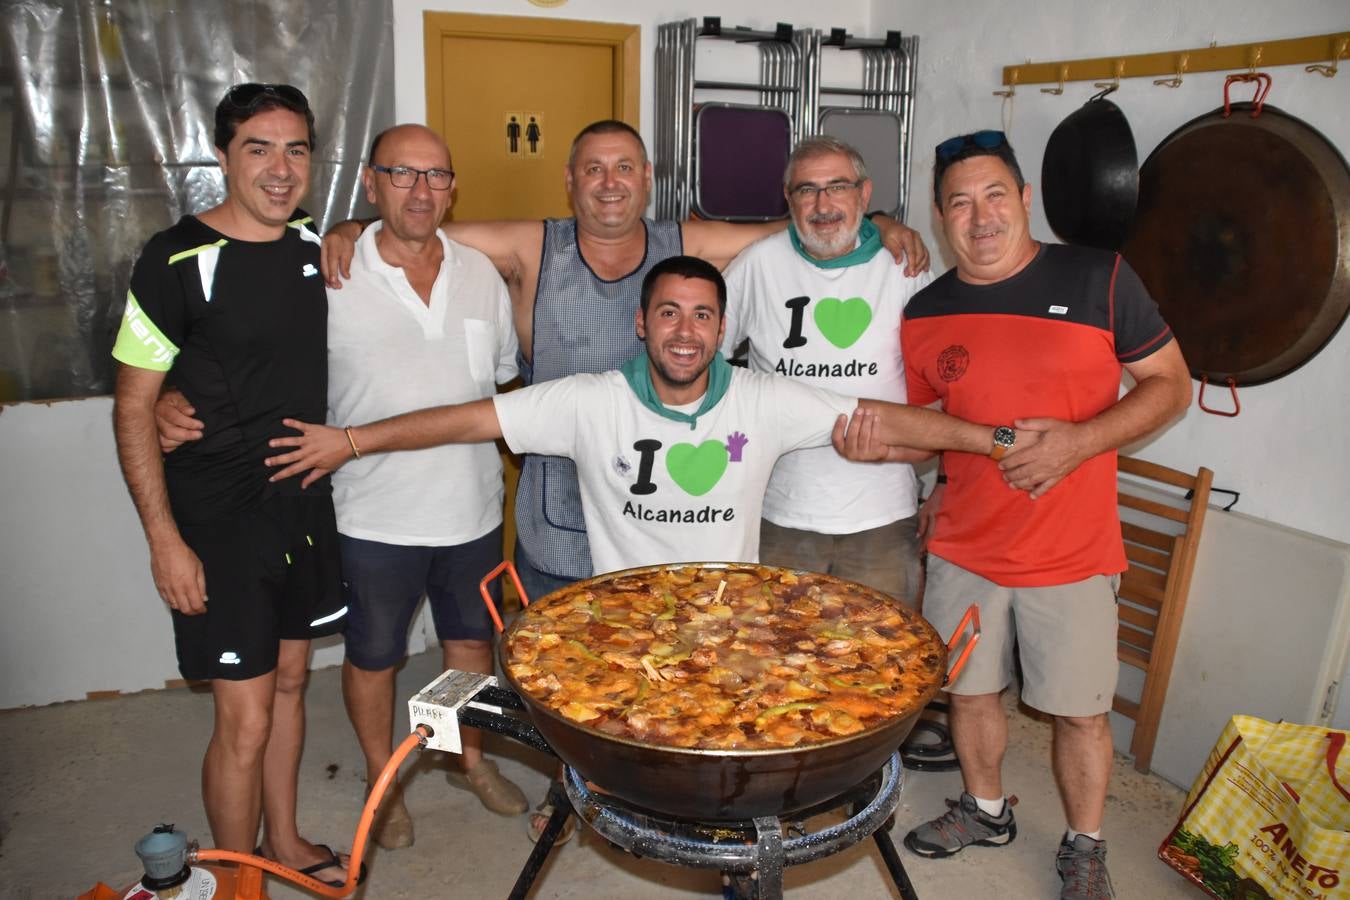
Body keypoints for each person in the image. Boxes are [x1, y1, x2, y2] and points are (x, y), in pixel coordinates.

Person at [153, 124, 531, 846]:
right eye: (403, 174)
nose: (421, 191)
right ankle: (381, 777)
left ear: (453, 189)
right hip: (368, 514)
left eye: (436, 176)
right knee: (374, 659)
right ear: (369, 182)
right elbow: (236, 341)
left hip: (473, 509)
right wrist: (169, 392)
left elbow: (501, 379)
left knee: (469, 650)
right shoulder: (330, 270)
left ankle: (467, 758)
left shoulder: (480, 271)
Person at [260, 255, 1029, 584]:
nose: (686, 332)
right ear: (641, 325)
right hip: (621, 613)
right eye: (669, 314)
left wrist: (994, 440)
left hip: (729, 612)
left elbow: (890, 419)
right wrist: (352, 440)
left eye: (703, 316)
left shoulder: (764, 398)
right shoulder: (590, 401)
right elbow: (465, 419)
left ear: (722, 330)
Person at [883, 130, 1191, 900]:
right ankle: (985, 808)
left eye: (994, 195)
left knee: (1081, 713)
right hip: (964, 550)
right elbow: (928, 430)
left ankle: (1087, 843)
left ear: (1023, 200)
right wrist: (922, 481)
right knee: (971, 694)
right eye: (959, 202)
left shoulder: (1100, 278)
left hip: (1074, 552)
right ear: (940, 215)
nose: (979, 216)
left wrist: (1081, 442)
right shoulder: (926, 312)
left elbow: (1169, 384)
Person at [110, 83, 360, 887]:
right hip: (220, 524)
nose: (280, 169)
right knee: (243, 718)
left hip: (303, 507)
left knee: (291, 684)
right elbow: (133, 403)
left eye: (297, 150)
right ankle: (240, 880)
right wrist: (164, 542)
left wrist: (354, 227)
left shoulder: (314, 246)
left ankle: (282, 843)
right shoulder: (175, 258)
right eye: (259, 148)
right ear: (223, 157)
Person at [721, 135, 934, 603]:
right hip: (778, 516)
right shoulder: (758, 265)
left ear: (864, 194)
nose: (822, 204)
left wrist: (948, 485)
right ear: (788, 198)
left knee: (881, 662)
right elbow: (703, 360)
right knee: (774, 660)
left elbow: (946, 390)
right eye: (806, 190)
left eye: (837, 186)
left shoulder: (904, 268)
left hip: (882, 519)